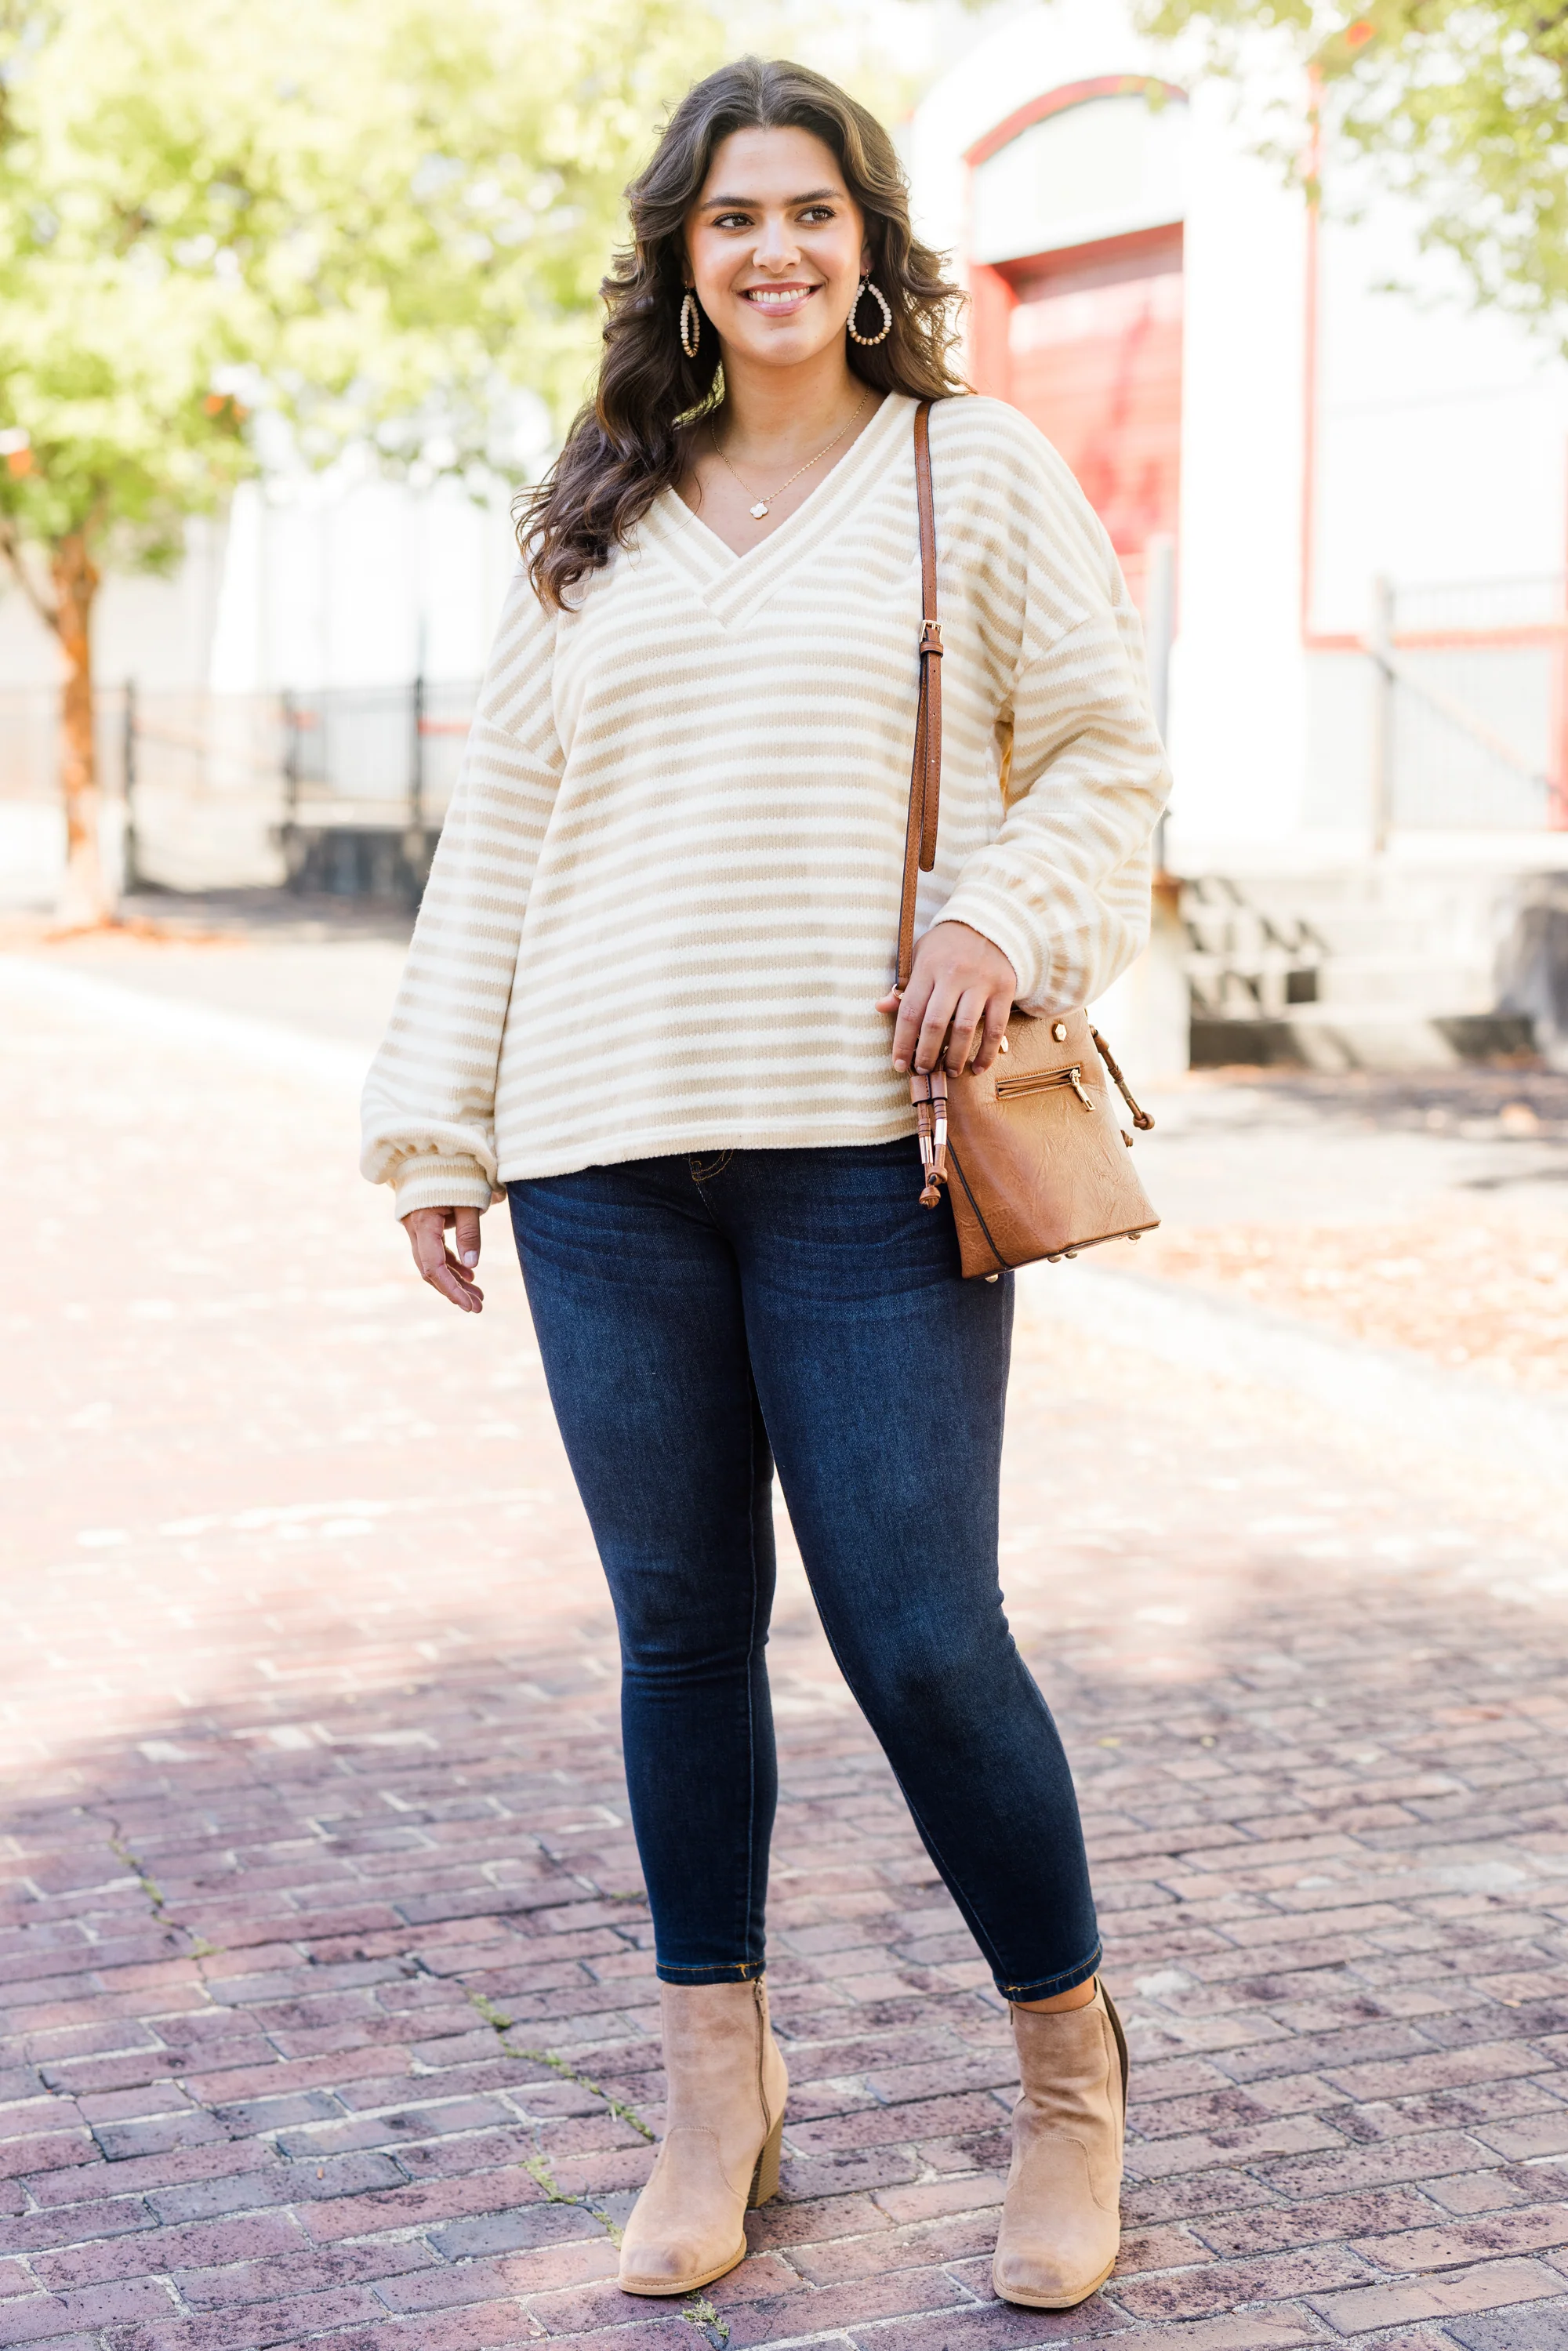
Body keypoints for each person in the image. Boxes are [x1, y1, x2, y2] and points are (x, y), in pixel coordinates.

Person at [361, 54, 1168, 2313]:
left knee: (921, 1630)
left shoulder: (969, 476)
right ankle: (719, 2089)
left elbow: (1106, 757)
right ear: (685, 259)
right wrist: (437, 1123)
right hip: (603, 1152)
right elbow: (501, 839)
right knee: (681, 1635)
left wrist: (998, 908)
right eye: (735, 220)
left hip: (864, 1153)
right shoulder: (592, 512)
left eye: (813, 211)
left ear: (870, 241)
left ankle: (1072, 2075)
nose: (777, 250)